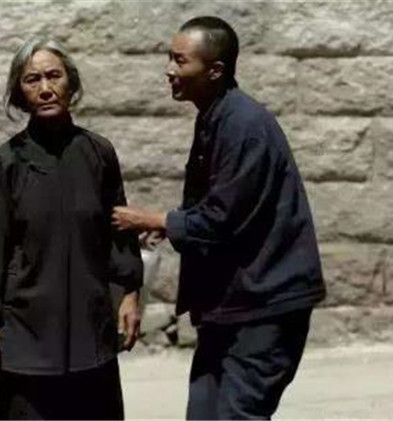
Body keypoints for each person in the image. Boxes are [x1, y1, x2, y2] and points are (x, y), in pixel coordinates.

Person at [112, 16, 326, 420]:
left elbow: (223, 218)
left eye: (180, 61)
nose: (169, 70)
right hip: (229, 305)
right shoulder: (215, 116)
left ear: (215, 71)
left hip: (264, 306)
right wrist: (174, 224)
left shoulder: (244, 124)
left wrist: (157, 220)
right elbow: (220, 204)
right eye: (170, 58)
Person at [0, 37, 143, 420]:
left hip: (90, 331)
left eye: (54, 76)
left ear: (71, 83)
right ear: (19, 93)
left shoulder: (98, 154)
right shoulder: (7, 163)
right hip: (26, 335)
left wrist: (130, 292)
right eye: (32, 80)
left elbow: (119, 228)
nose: (45, 88)